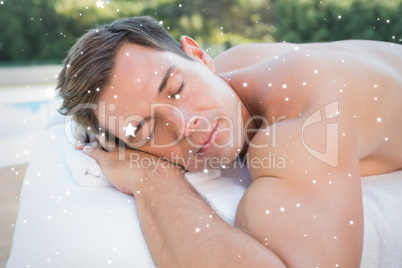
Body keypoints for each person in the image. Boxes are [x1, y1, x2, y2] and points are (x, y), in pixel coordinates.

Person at [57, 16, 402, 267]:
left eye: (176, 89)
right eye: (145, 130)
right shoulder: (228, 71)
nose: (184, 126)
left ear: (200, 56)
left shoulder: (299, 123)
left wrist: (150, 178)